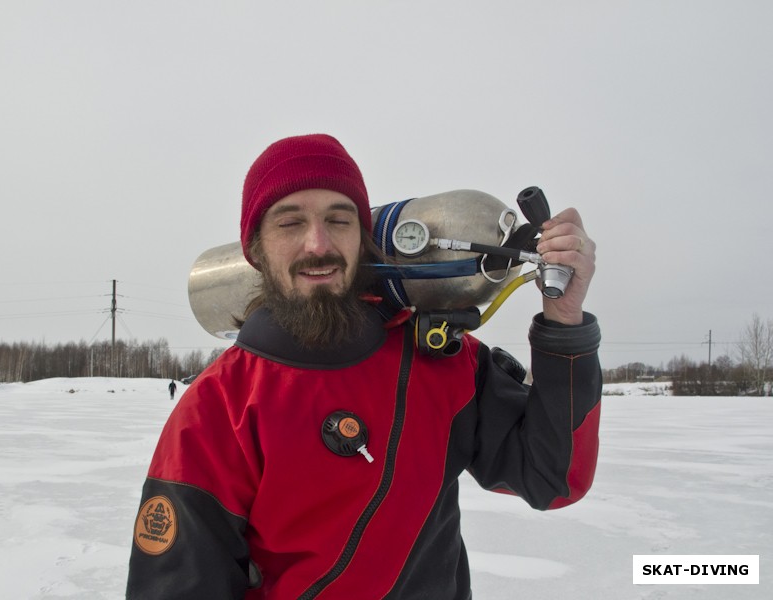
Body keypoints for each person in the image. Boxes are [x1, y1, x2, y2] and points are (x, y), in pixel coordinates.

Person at [127, 134, 602, 599]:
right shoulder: (218, 406)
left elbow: (554, 479)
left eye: (339, 220)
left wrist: (564, 322)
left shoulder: (444, 363)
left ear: (363, 238)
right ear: (255, 249)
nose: (318, 244)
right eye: (290, 223)